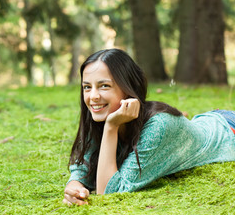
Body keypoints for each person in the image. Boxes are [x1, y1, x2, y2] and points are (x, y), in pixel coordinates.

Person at [62, 48, 235, 206]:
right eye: (87, 87)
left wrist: (111, 127)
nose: (93, 96)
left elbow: (109, 192)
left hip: (229, 129)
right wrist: (75, 186)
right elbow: (83, 166)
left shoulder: (159, 126)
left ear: (128, 88)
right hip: (207, 120)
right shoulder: (100, 118)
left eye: (104, 86)